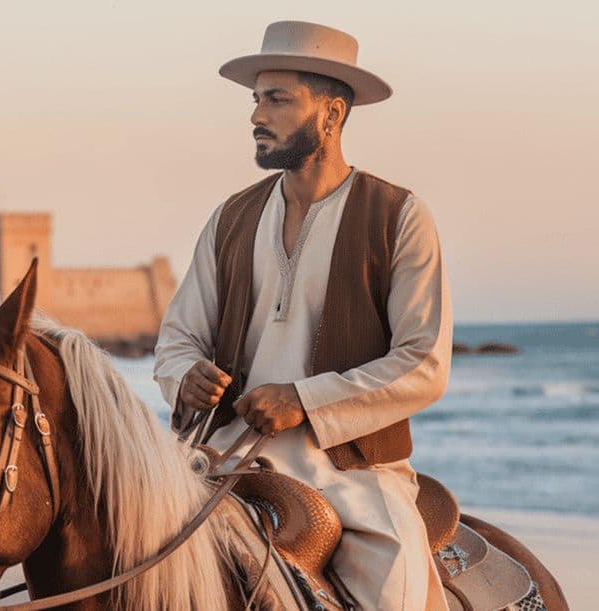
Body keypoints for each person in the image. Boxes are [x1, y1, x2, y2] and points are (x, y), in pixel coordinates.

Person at [154, 20, 452, 610]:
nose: (256, 116)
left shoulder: (398, 216)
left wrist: (303, 399)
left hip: (353, 474)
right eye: (256, 99)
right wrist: (185, 376)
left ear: (333, 114)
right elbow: (178, 338)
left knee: (394, 592)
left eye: (277, 99)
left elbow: (423, 364)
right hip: (221, 459)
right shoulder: (230, 218)